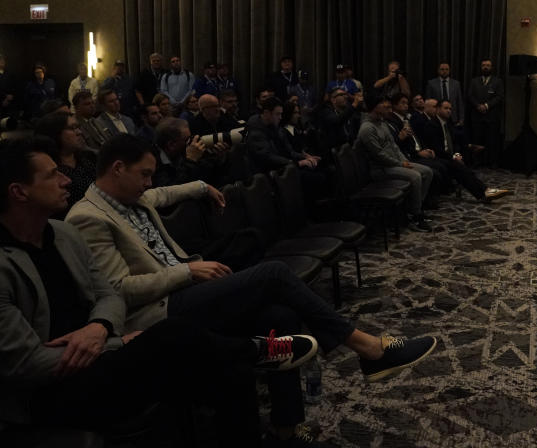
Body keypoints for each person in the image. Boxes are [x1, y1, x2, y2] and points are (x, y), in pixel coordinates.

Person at [65, 135, 439, 439]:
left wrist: (201, 186)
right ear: (117, 169)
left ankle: (285, 427)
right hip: (160, 312)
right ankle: (368, 348)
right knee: (273, 273)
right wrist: (188, 272)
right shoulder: (88, 218)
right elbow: (118, 290)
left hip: (183, 293)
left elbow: (164, 194)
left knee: (279, 314)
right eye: (144, 174)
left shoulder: (132, 195)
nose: (150, 183)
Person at [0, 138, 310, 446]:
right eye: (52, 174)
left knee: (229, 368)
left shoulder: (62, 234)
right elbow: (27, 365)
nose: (65, 180)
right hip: (45, 395)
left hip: (101, 356)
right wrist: (120, 343)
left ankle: (259, 379)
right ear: (18, 192)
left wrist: (99, 328)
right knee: (175, 335)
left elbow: (108, 295)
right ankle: (256, 349)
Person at [356, 94, 433, 231]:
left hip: (393, 164)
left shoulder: (381, 123)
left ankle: (412, 210)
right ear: (374, 107)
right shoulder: (367, 128)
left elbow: (394, 146)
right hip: (379, 169)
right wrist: (401, 164)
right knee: (415, 176)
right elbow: (379, 155)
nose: (387, 107)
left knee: (427, 171)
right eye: (383, 104)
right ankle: (416, 216)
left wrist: (404, 161)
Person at [416, 99, 510, 202]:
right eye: (446, 108)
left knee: (462, 163)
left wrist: (456, 154)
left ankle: (484, 192)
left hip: (448, 155)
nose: (449, 111)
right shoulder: (432, 125)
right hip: (437, 156)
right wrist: (453, 157)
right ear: (438, 109)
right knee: (457, 166)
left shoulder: (448, 123)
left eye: (450, 109)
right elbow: (436, 149)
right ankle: (484, 192)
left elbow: (455, 142)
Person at [33, 112, 97, 213]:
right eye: (72, 128)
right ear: (55, 133)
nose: (79, 132)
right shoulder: (48, 170)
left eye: (78, 127)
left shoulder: (88, 158)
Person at [467, 58, 504, 166]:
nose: (485, 67)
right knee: (477, 139)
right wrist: (478, 106)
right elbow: (470, 95)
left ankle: (491, 162)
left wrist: (487, 106)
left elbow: (499, 96)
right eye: (483, 65)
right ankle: (477, 162)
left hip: (492, 116)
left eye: (488, 65)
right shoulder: (474, 81)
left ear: (491, 67)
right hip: (476, 116)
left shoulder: (498, 81)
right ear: (481, 67)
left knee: (492, 140)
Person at [312, 86, 362, 156]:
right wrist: (354, 105)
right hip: (332, 153)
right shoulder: (326, 111)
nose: (345, 97)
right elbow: (337, 121)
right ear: (333, 100)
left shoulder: (347, 111)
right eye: (341, 95)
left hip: (348, 149)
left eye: (345, 94)